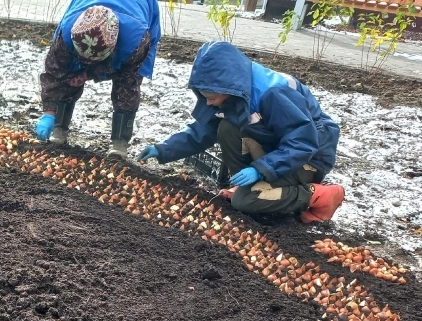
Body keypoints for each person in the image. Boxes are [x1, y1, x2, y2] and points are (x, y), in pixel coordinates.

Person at [137, 41, 345, 223]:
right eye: (203, 94)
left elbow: (302, 143)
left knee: (245, 201)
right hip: (278, 148)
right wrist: (163, 149)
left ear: (226, 86)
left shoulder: (273, 94)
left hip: (310, 156)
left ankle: (321, 195)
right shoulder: (232, 92)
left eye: (210, 95)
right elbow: (203, 130)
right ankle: (258, 187)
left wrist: (261, 169)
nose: (207, 101)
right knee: (226, 127)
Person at [34, 0, 161, 159]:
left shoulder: (137, 41)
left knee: (127, 86)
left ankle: (120, 142)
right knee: (69, 73)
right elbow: (54, 72)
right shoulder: (67, 33)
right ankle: (58, 128)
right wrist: (48, 113)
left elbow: (126, 77)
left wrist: (90, 74)